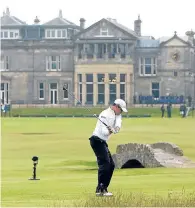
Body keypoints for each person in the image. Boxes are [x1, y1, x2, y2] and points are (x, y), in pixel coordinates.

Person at [89, 99, 128, 197]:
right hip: (97, 140)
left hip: (103, 142)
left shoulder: (117, 114)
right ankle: (101, 189)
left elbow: (118, 123)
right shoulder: (104, 114)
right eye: (121, 109)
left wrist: (115, 129)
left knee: (111, 165)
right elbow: (104, 132)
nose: (121, 112)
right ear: (116, 107)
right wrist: (110, 131)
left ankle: (103, 188)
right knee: (105, 164)